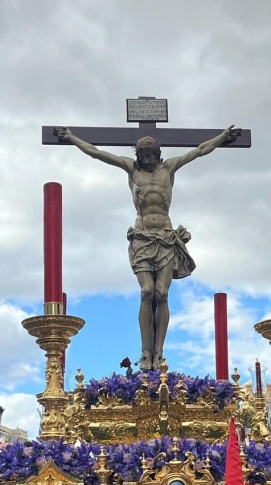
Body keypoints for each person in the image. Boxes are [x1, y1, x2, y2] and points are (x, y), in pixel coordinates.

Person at [54, 124, 241, 371]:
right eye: (142, 155)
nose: (147, 159)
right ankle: (145, 352)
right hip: (142, 236)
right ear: (138, 156)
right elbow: (97, 153)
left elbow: (200, 150)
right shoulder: (131, 170)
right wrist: (71, 138)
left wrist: (223, 137)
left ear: (157, 154)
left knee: (162, 293)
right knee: (147, 292)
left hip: (165, 236)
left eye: (150, 155)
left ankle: (158, 354)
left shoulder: (169, 168)